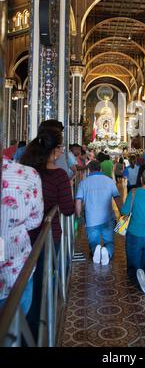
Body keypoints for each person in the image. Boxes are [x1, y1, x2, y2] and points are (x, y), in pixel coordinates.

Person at [21, 127, 75, 339]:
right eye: (60, 147)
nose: (62, 151)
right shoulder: (59, 175)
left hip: (25, 235)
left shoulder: (25, 169)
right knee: (43, 281)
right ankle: (35, 332)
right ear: (53, 151)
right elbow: (69, 210)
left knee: (22, 280)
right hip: (47, 235)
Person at [0, 158, 44, 315]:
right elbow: (35, 221)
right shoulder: (27, 175)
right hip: (14, 269)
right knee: (14, 327)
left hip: (14, 269)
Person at [75, 160, 123, 265]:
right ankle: (107, 252)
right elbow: (117, 199)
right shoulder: (109, 181)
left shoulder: (84, 182)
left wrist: (78, 216)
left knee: (93, 243)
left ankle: (96, 249)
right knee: (109, 242)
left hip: (91, 220)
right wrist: (122, 213)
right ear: (100, 169)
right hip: (108, 219)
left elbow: (78, 201)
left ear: (89, 169)